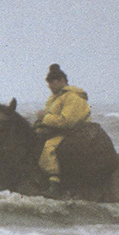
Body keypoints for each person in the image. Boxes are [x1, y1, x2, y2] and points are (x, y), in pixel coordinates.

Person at [34, 63, 91, 196]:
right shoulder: (54, 98)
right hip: (58, 131)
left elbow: (67, 121)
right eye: (49, 83)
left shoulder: (73, 97)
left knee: (49, 148)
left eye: (53, 82)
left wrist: (45, 117)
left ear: (63, 81)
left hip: (73, 133)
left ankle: (55, 183)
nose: (50, 86)